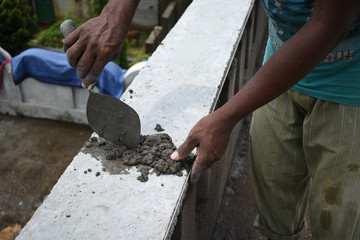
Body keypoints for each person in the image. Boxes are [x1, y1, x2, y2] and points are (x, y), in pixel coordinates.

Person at [63, 0, 360, 239]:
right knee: (274, 194)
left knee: (336, 216)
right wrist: (118, 11)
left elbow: (329, 23)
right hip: (279, 66)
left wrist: (225, 117)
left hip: (348, 81)